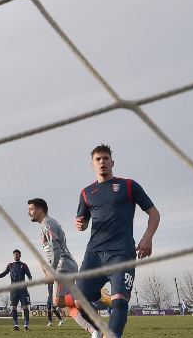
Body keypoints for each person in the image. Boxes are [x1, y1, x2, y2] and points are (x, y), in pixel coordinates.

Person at [74, 144, 160, 338]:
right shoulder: (86, 192)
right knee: (79, 301)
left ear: (112, 162)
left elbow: (154, 213)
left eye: (105, 158)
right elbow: (83, 222)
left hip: (122, 252)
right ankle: (100, 329)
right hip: (94, 254)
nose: (102, 162)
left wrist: (147, 237)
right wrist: (80, 224)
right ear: (92, 165)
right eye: (98, 159)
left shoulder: (129, 186)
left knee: (119, 300)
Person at [28, 198, 99, 334]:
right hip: (65, 265)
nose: (29, 212)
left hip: (63, 266)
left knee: (58, 301)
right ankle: (94, 330)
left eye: (31, 209)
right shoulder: (48, 223)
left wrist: (52, 271)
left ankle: (86, 295)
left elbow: (56, 249)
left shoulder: (47, 223)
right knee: (64, 305)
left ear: (40, 209)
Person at [0, 249, 33, 331]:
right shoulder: (10, 265)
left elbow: (29, 275)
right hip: (13, 289)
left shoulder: (24, 265)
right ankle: (16, 325)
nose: (15, 256)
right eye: (14, 255)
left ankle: (26, 326)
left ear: (20, 255)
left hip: (23, 289)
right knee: (13, 307)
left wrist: (31, 280)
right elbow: (4, 273)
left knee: (25, 306)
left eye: (17, 254)